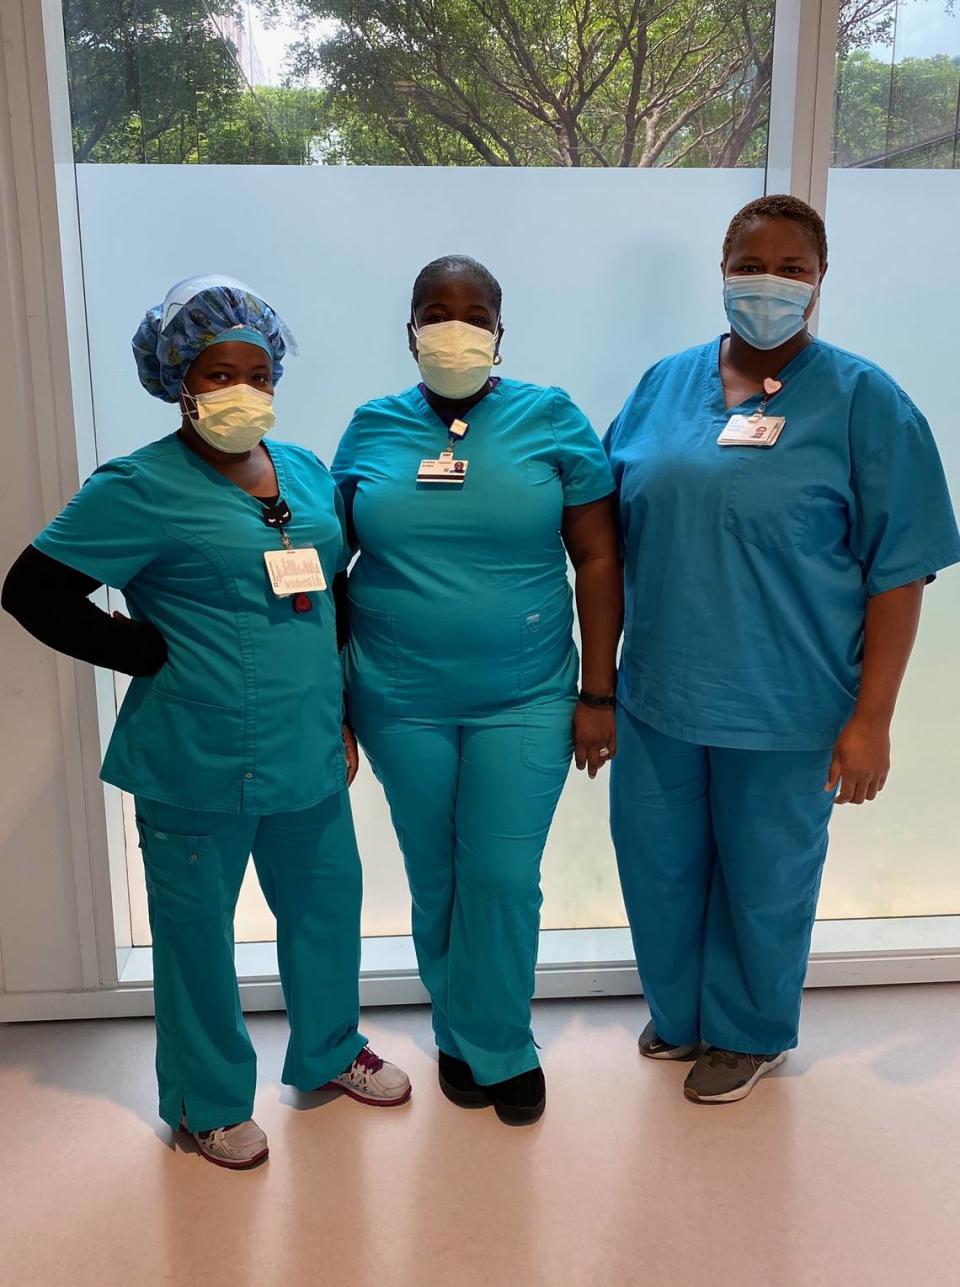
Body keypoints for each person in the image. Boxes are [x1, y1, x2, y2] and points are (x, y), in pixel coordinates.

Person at [1, 276, 410, 1167]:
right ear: (179, 380)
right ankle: (206, 1101)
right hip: (196, 753)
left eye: (257, 372)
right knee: (196, 939)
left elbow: (328, 592)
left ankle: (331, 1049)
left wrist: (339, 711)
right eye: (219, 373)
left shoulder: (300, 469)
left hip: (305, 746)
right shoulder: (137, 487)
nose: (242, 391)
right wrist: (138, 651)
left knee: (326, 909)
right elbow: (31, 590)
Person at [604, 195, 960, 1105]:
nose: (769, 280)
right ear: (722, 270)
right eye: (750, 262)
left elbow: (901, 570)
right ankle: (680, 1011)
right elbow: (603, 526)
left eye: (792, 267)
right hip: (658, 692)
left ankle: (748, 1028)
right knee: (659, 863)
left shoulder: (863, 402)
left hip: (788, 699)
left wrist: (871, 718)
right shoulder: (661, 386)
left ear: (818, 282)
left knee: (766, 874)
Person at [333, 255, 622, 1124]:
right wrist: (328, 697)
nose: (455, 325)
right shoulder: (373, 427)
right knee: (437, 872)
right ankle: (459, 1034)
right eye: (436, 310)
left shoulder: (551, 418)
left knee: (498, 869)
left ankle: (499, 1040)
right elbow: (327, 556)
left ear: (501, 330)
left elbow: (599, 556)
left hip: (526, 693)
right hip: (395, 693)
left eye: (475, 312)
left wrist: (598, 694)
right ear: (410, 328)